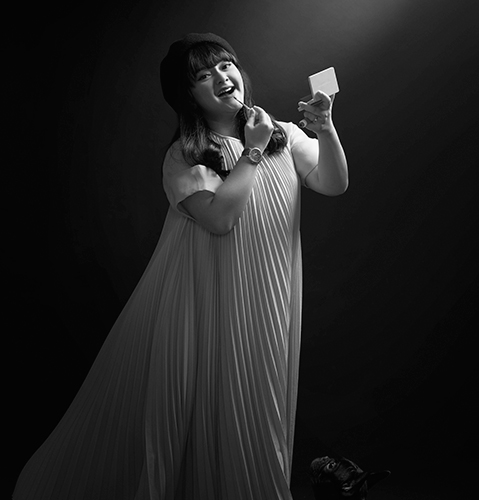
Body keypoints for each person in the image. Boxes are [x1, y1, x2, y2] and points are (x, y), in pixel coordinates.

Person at [13, 33, 348, 500]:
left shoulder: (283, 134)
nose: (222, 77)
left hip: (270, 294)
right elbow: (220, 220)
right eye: (203, 75)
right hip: (211, 300)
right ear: (188, 95)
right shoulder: (185, 156)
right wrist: (251, 152)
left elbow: (333, 183)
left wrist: (325, 129)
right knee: (217, 403)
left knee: (263, 400)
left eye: (226, 65)